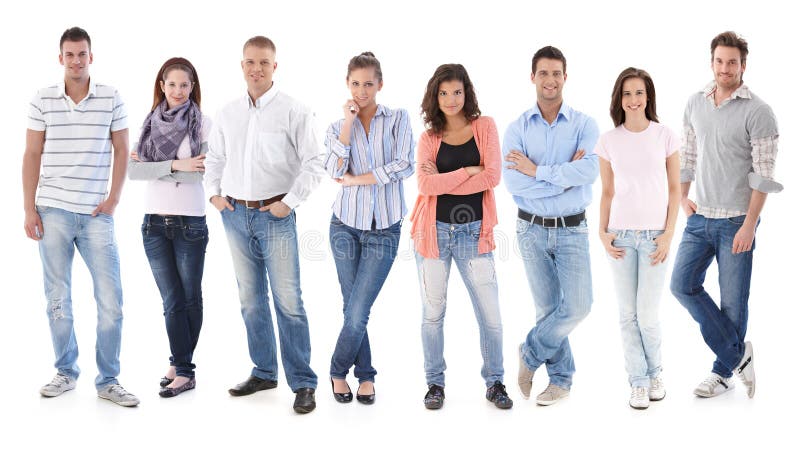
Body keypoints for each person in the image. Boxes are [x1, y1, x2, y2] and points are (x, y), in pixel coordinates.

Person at [204, 36, 324, 414]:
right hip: (235, 215)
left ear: (275, 66)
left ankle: (303, 383)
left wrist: (288, 204)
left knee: (289, 302)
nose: (256, 69)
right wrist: (215, 197)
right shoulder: (227, 112)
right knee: (250, 300)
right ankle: (264, 371)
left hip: (275, 215)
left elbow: (314, 162)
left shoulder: (295, 110)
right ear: (242, 65)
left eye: (264, 63)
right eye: (250, 62)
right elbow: (215, 158)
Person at [22, 26, 139, 406]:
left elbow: (123, 150)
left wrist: (113, 200)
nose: (76, 60)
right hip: (52, 209)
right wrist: (28, 208)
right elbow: (32, 155)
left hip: (95, 215)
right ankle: (65, 371)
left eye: (82, 54)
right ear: (61, 58)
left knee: (111, 299)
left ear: (92, 56)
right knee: (57, 297)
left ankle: (108, 380)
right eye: (69, 54)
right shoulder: (42, 99)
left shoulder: (111, 97)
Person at [670, 31, 781, 399]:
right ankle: (738, 356)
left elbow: (763, 176)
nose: (725, 68)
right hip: (700, 218)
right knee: (681, 285)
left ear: (743, 66)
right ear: (712, 62)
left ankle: (722, 372)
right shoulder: (694, 103)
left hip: (736, 219)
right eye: (719, 61)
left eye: (732, 62)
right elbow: (687, 157)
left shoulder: (759, 111)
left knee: (733, 302)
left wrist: (750, 224)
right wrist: (683, 198)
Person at [410, 63, 512, 410]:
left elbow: (493, 176)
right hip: (433, 234)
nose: (451, 99)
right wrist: (469, 169)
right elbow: (425, 185)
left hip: (474, 233)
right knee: (432, 314)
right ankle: (434, 384)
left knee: (491, 316)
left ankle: (495, 381)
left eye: (456, 92)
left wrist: (447, 177)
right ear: (434, 97)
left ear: (466, 93)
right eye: (443, 93)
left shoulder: (485, 127)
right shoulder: (428, 138)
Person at [503, 45, 599, 406]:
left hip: (573, 228)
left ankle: (529, 354)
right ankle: (560, 380)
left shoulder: (584, 125)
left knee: (578, 306)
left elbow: (590, 171)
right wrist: (564, 177)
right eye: (543, 72)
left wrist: (537, 170)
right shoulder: (516, 129)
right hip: (530, 229)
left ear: (565, 77)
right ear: (533, 77)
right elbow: (514, 183)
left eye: (556, 72)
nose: (550, 79)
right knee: (547, 309)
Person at [324, 52, 414, 405]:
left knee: (358, 309)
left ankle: (335, 368)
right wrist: (348, 124)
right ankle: (365, 375)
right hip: (344, 226)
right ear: (348, 85)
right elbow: (333, 171)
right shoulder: (335, 128)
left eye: (369, 83)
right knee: (353, 308)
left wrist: (359, 179)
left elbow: (405, 164)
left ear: (380, 84)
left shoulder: (398, 119)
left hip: (385, 229)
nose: (362, 91)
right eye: (356, 84)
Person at [596, 67, 680, 409]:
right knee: (626, 315)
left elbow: (675, 190)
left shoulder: (665, 136)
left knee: (647, 314)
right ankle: (638, 381)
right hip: (619, 237)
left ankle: (656, 371)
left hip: (654, 237)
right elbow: (607, 192)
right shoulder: (608, 140)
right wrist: (603, 234)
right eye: (627, 94)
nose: (633, 100)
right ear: (620, 98)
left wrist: (668, 234)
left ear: (648, 97)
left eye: (639, 93)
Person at [128, 57, 211, 398]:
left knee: (189, 297)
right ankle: (182, 365)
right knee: (171, 299)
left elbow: (197, 173)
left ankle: (182, 367)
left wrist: (155, 167)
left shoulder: (203, 123)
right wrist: (176, 163)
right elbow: (132, 173)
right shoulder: (148, 123)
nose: (178, 91)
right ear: (162, 85)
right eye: (172, 84)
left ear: (193, 88)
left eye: (184, 85)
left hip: (190, 220)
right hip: (154, 223)